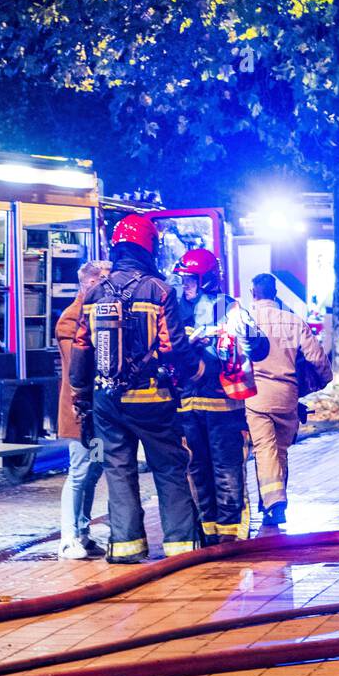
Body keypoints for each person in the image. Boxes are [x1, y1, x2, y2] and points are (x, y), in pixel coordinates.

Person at [69, 215, 207, 564]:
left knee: (117, 470)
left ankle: (126, 547)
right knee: (169, 467)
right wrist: (196, 371)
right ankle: (181, 546)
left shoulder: (94, 291)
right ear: (149, 247)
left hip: (105, 402)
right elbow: (173, 347)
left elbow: (81, 347)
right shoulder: (160, 291)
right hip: (151, 398)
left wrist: (80, 397)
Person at [173, 248, 269, 544]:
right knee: (196, 468)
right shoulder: (173, 307)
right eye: (182, 280)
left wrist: (243, 334)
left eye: (190, 280)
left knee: (226, 467)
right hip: (186, 406)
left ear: (206, 280)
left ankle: (230, 536)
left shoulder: (229, 308)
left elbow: (260, 349)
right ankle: (207, 532)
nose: (184, 286)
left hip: (223, 403)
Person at [245, 273, 332, 527]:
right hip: (287, 397)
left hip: (255, 397)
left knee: (265, 449)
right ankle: (272, 500)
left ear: (253, 294)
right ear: (275, 294)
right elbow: (319, 362)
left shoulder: (245, 321)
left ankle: (274, 503)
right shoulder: (294, 322)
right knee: (279, 451)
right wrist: (314, 384)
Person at [54, 259, 111, 559]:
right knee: (79, 471)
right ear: (91, 283)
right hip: (79, 412)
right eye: (105, 281)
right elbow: (79, 367)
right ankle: (67, 538)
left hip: (97, 413)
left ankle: (83, 532)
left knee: (94, 469)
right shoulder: (71, 319)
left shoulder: (94, 313)